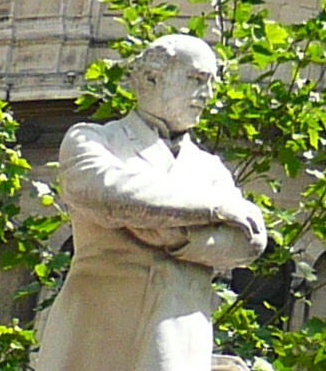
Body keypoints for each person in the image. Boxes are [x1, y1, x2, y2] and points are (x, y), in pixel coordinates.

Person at [30, 34, 270, 371]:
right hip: (96, 338)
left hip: (177, 343)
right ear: (150, 78)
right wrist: (214, 209)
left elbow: (249, 240)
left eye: (212, 83)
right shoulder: (93, 140)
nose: (208, 94)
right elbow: (110, 193)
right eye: (197, 79)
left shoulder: (210, 168)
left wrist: (176, 235)